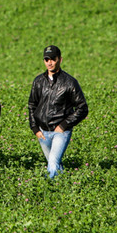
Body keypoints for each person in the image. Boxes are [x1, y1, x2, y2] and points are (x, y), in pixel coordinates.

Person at [27, 45, 89, 179]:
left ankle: (48, 191)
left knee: (53, 164)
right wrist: (34, 128)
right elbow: (32, 105)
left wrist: (64, 125)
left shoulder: (70, 82)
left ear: (60, 60)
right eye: (46, 59)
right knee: (54, 164)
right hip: (42, 132)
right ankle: (63, 189)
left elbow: (82, 108)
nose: (49, 62)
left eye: (52, 59)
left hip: (61, 132)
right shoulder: (38, 81)